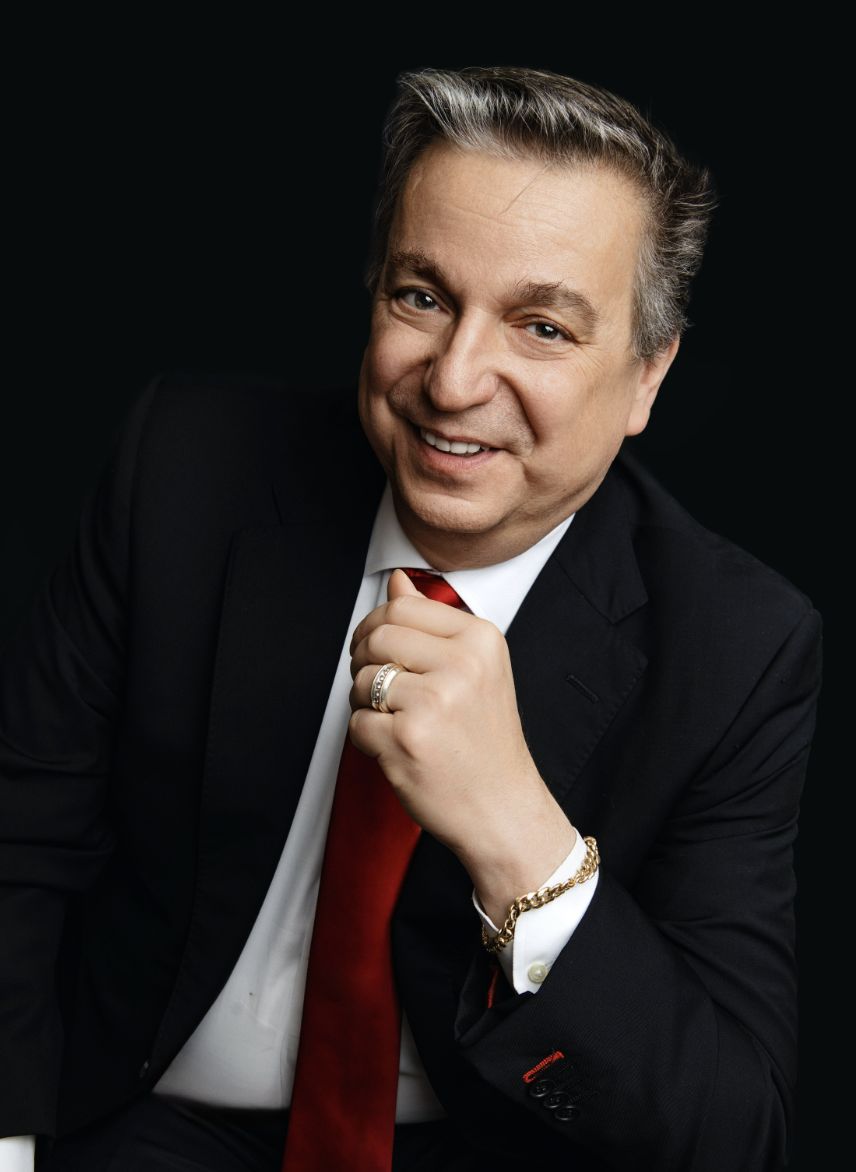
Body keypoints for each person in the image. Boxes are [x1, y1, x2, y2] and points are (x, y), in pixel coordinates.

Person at [0, 66, 820, 1172]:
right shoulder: (184, 468)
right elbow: (19, 844)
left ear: (644, 377)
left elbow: (730, 1130)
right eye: (422, 297)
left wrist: (518, 831)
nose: (454, 378)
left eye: (540, 326)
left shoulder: (738, 646)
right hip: (135, 1116)